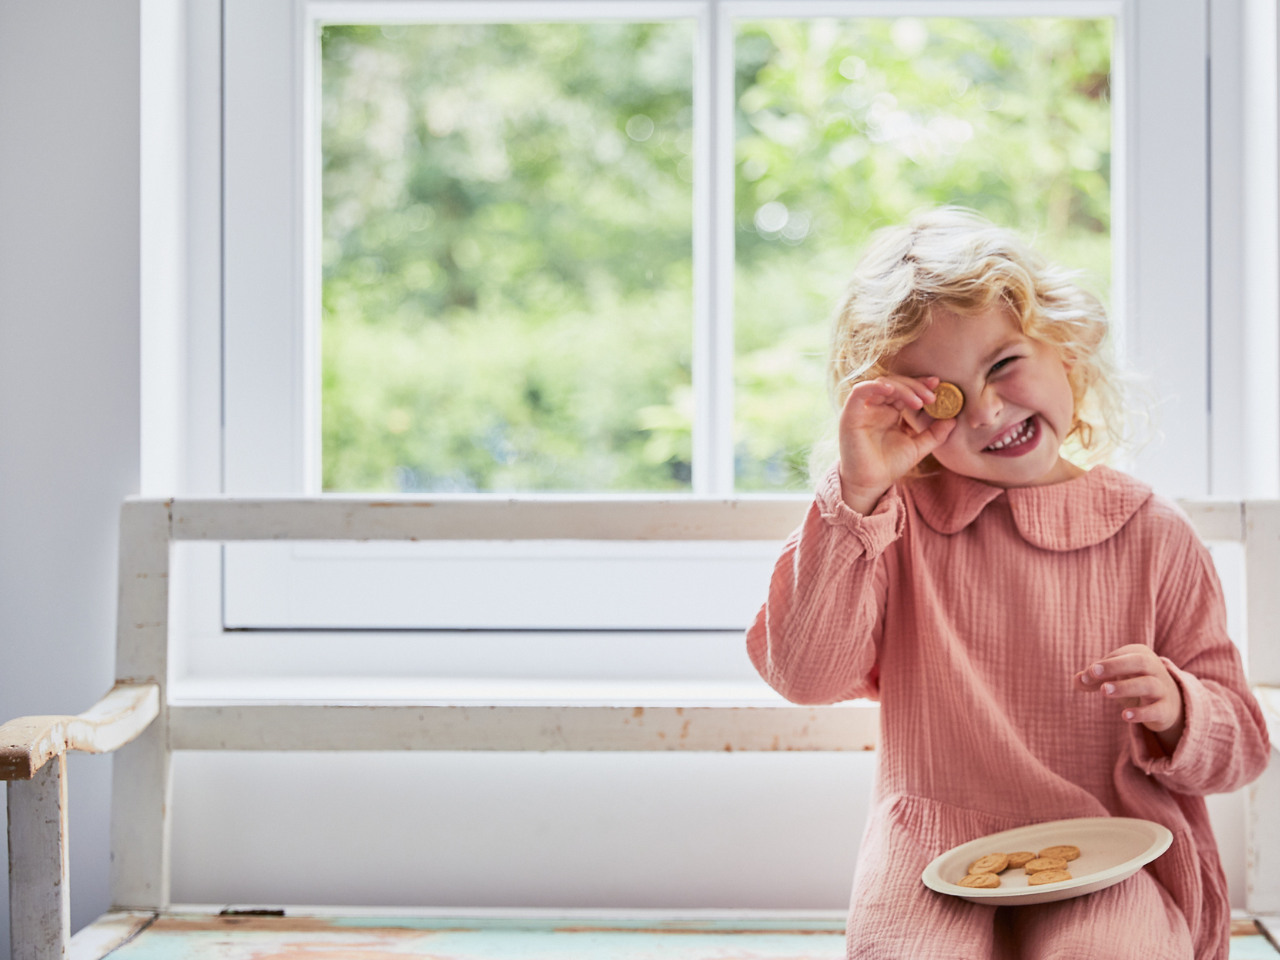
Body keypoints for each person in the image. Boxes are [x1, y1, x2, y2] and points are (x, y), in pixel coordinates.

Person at [746, 208, 1270, 960]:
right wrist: (855, 496)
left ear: (1064, 347)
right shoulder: (890, 526)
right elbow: (804, 674)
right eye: (946, 398)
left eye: (1003, 364)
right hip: (929, 845)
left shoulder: (1153, 533)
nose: (988, 410)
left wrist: (1179, 705)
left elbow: (1245, 749)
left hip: (1117, 849)